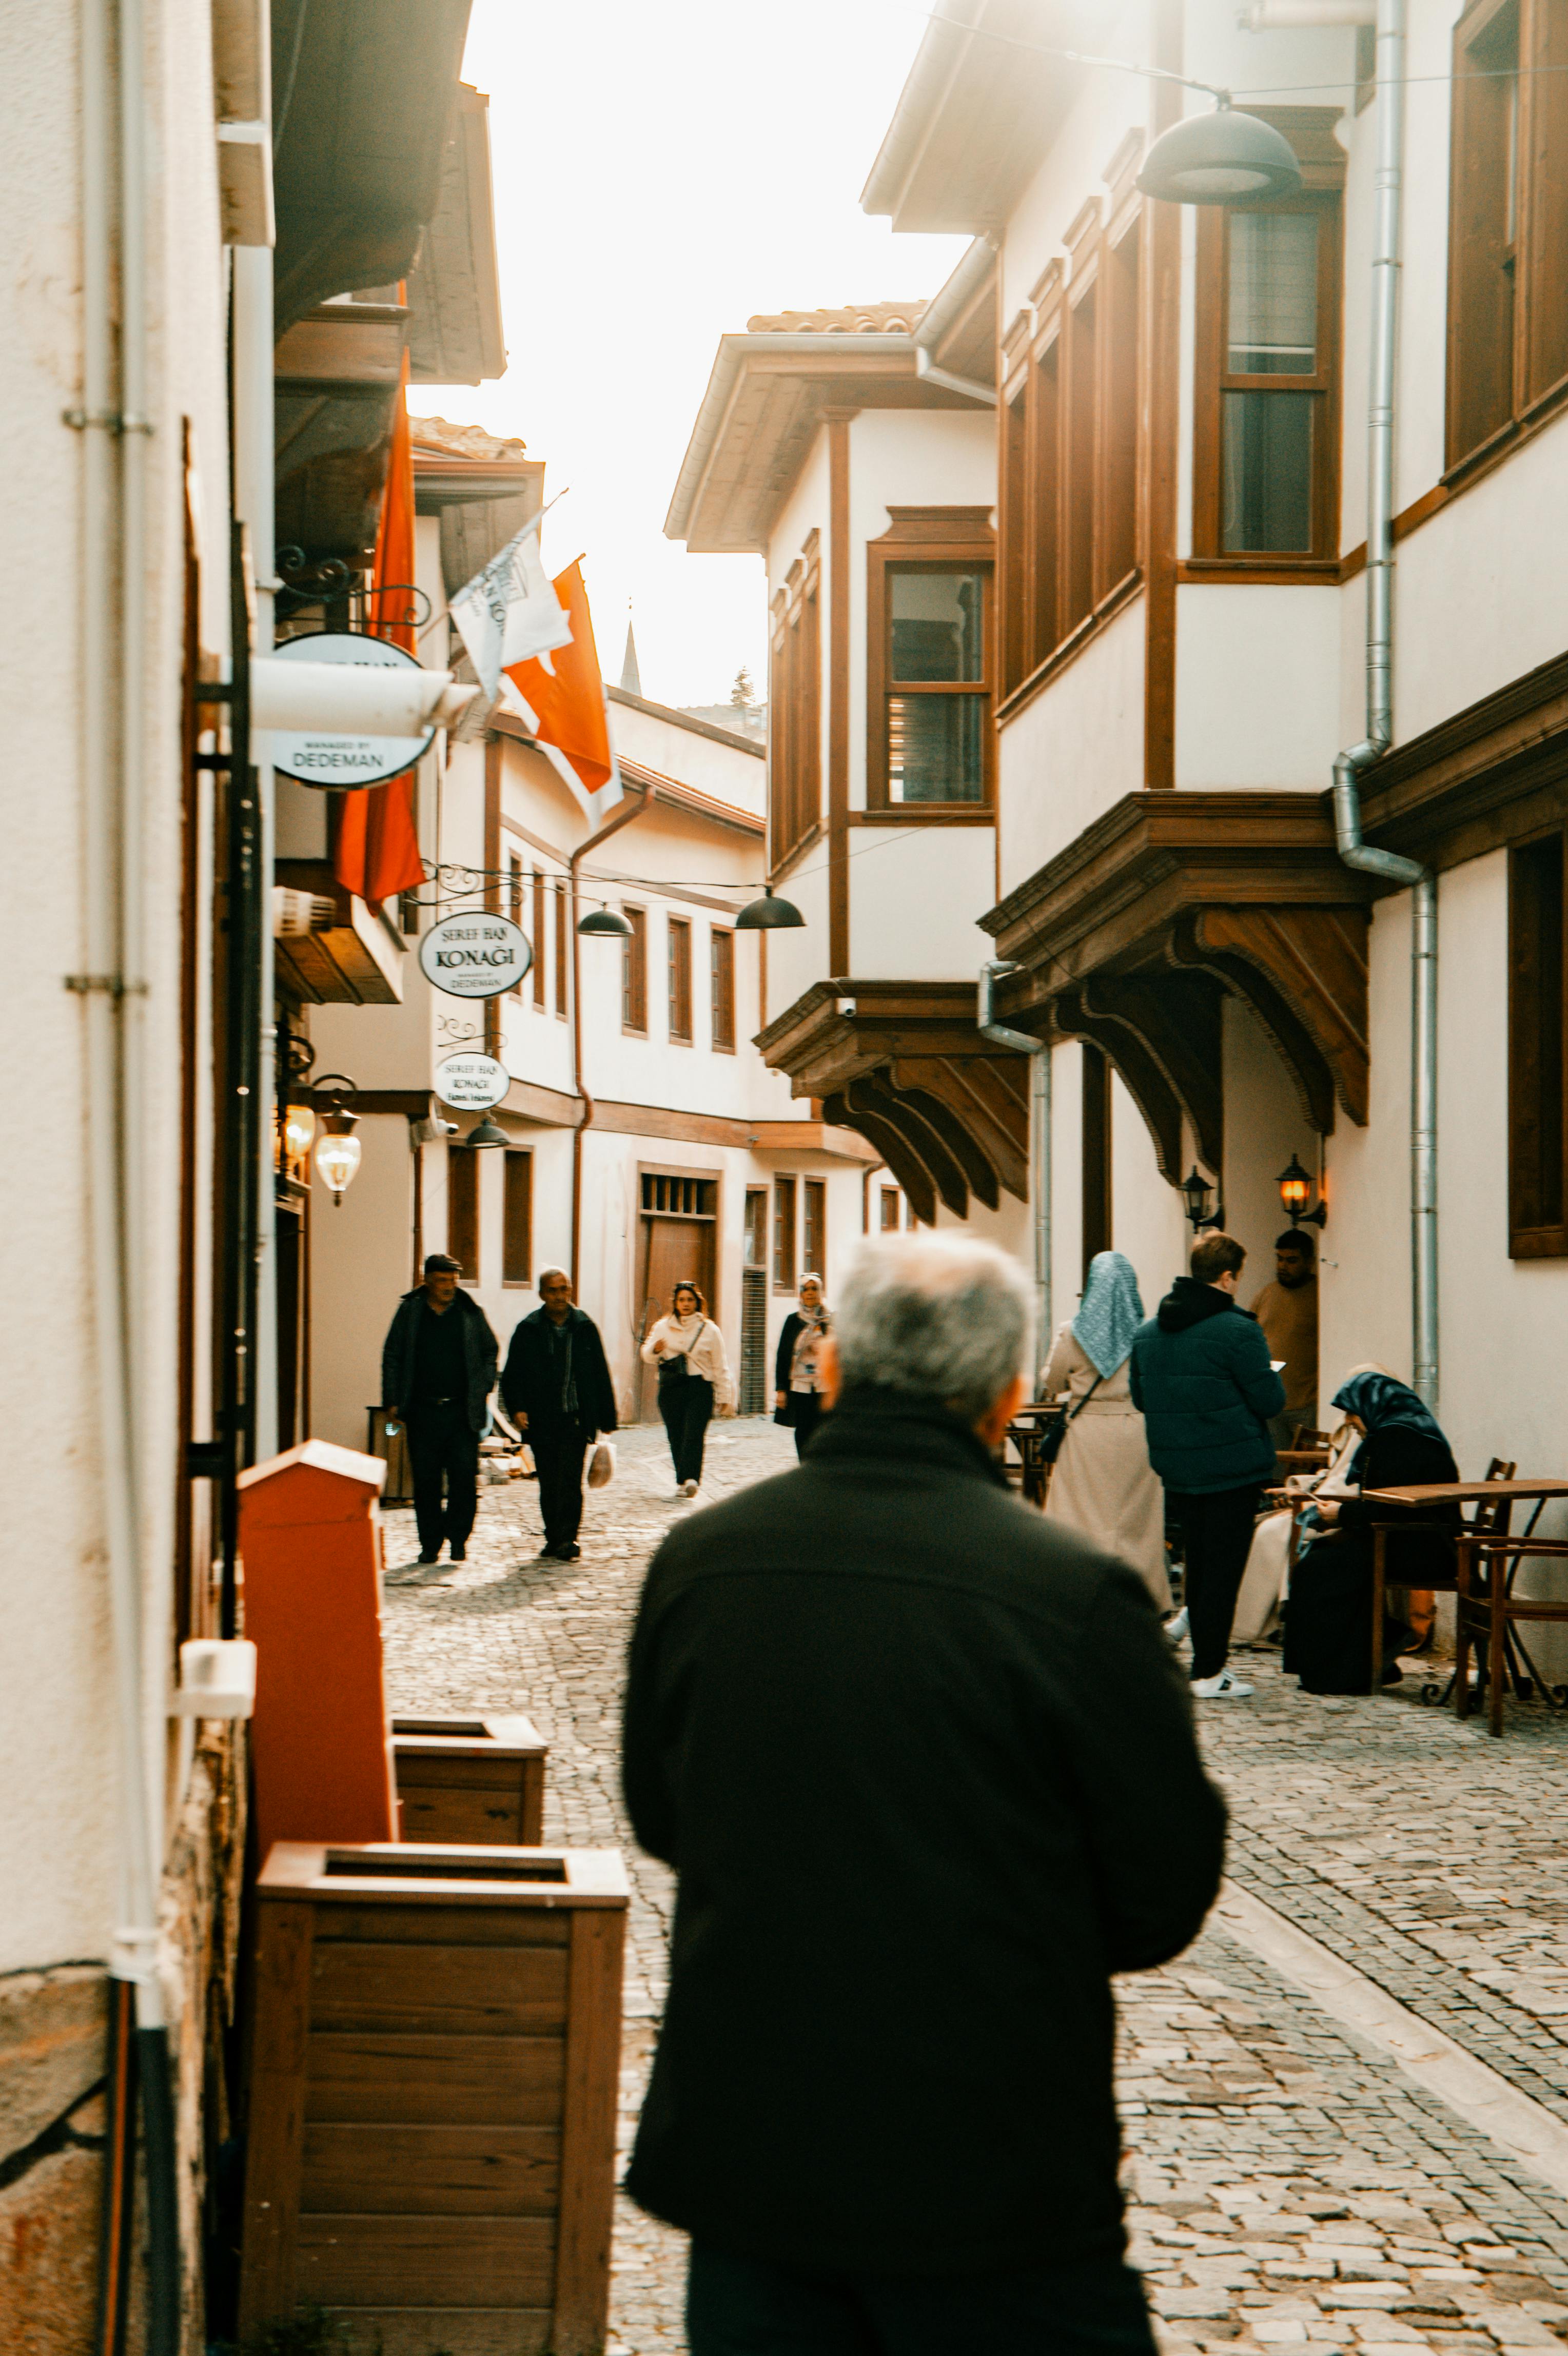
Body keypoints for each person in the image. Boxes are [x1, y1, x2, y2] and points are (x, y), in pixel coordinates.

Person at [622, 1233, 1227, 2356]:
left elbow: (665, 1815)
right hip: (993, 2155)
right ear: (1004, 1393)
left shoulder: (703, 1563)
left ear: (838, 1369)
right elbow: (1159, 1893)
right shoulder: (1076, 1596)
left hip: (759, 2150)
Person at [1129, 1232, 1285, 1700]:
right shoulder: (1239, 1330)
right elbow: (1270, 1400)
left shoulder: (1148, 1332)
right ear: (1227, 1277)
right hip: (1230, 1467)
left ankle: (1204, 1663)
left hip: (1177, 1466)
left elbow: (1142, 1398)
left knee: (1197, 1563)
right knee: (1223, 1570)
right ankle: (1210, 1670)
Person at [1283, 1369, 1460, 1694]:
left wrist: (1341, 1515)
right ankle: (1371, 1656)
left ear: (1372, 1405)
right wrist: (1341, 1517)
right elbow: (1386, 1504)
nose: (1349, 1421)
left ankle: (1346, 1670)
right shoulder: (1400, 1431)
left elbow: (1391, 1505)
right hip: (1406, 1538)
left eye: (1353, 1411)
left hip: (1418, 1547)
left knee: (1321, 1568)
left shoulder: (1399, 1438)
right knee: (1321, 1559)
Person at [1040, 1250, 1169, 1608]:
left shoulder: (1072, 1332)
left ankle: (1076, 1593)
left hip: (1087, 1433)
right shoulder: (1147, 1333)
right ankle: (1138, 1599)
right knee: (1135, 1522)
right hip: (1135, 1429)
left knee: (1079, 1516)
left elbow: (1051, 1381)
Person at [382, 1252, 499, 1566]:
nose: (449, 1287)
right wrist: (392, 1399)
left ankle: (458, 1539)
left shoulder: (470, 1313)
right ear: (428, 1281)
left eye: (453, 1280)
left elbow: (491, 1352)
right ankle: (430, 1544)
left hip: (462, 1413)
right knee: (426, 1483)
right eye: (443, 1281)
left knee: (463, 1480)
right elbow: (392, 1354)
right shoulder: (410, 1312)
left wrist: (483, 1386)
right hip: (423, 1413)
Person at [501, 1268, 618, 1563]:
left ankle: (568, 1538)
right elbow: (513, 1375)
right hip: (542, 1419)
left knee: (570, 1481)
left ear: (570, 1291)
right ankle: (554, 1536)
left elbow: (599, 1373)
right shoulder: (528, 1329)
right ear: (542, 1294)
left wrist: (606, 1417)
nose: (559, 1296)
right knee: (549, 1482)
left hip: (575, 1418)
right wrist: (517, 1409)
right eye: (553, 1291)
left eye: (564, 1289)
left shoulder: (584, 1326)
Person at [641, 1281, 734, 1497]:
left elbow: (720, 1365)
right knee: (676, 1434)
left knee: (694, 1434)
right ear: (675, 1302)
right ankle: (682, 1480)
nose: (685, 1304)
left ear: (697, 1302)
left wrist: (724, 1395)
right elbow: (646, 1354)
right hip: (671, 1388)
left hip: (699, 1387)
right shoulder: (663, 1326)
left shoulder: (710, 1330)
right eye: (681, 1300)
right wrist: (655, 1350)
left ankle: (692, 1479)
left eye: (690, 1300)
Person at [1250, 1229, 1320, 1458]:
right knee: (1277, 1475)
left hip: (1307, 1406)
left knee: (1308, 1474)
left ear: (1309, 1262)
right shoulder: (1266, 1295)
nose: (1283, 1266)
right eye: (1280, 1259)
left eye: (1292, 1261)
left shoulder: (1321, 1295)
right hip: (1271, 1406)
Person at [773, 1272, 831, 1458]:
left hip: (824, 1385)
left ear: (820, 1292)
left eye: (814, 1289)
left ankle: (820, 1464)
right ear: (800, 1293)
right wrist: (781, 1389)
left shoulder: (829, 1320)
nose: (810, 1293)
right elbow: (783, 1354)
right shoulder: (793, 1321)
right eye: (806, 1289)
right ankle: (805, 1464)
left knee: (823, 1427)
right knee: (803, 1428)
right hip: (800, 1385)